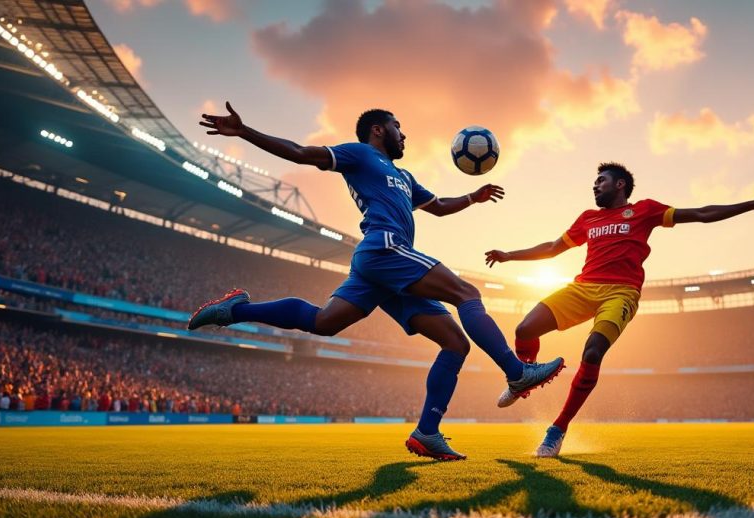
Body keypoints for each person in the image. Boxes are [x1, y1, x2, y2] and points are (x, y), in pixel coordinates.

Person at [191, 104, 564, 460]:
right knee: (466, 292)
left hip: (383, 269)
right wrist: (244, 132)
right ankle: (516, 373)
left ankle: (235, 309)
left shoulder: (403, 177)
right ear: (378, 129)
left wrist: (472, 197)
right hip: (385, 248)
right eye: (398, 127)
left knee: (343, 325)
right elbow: (302, 152)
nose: (405, 135)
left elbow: (437, 206)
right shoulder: (359, 155)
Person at [485, 162, 754, 457]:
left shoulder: (644, 210)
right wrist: (508, 256)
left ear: (620, 184)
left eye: (600, 180)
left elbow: (700, 214)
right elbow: (553, 248)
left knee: (592, 353)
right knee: (525, 329)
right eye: (594, 182)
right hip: (583, 287)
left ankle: (557, 430)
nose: (595, 185)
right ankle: (522, 379)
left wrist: (752, 204)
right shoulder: (588, 218)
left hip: (621, 293)